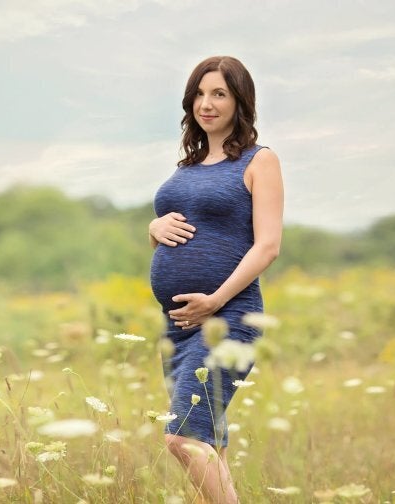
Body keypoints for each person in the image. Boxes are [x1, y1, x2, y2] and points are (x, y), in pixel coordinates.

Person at [148, 56, 284, 503]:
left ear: (239, 100)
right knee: (210, 444)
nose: (207, 104)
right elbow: (179, 232)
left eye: (219, 94)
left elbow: (266, 246)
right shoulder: (186, 166)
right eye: (200, 94)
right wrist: (153, 230)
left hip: (229, 317)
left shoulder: (259, 161)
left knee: (182, 438)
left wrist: (216, 299)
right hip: (181, 326)